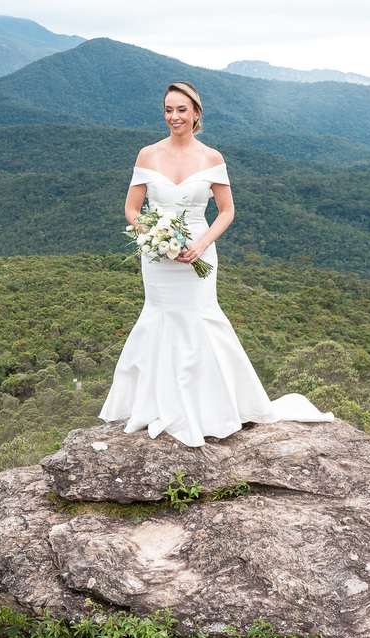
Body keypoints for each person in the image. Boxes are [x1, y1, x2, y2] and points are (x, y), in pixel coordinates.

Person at [100, 81, 333, 446]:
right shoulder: (147, 154)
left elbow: (226, 211)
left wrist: (200, 244)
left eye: (181, 110)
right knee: (160, 317)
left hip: (199, 251)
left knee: (199, 319)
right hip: (159, 258)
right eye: (168, 110)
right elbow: (131, 210)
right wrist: (158, 237)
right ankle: (155, 404)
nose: (173, 117)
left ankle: (209, 408)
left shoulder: (212, 158)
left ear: (196, 113)